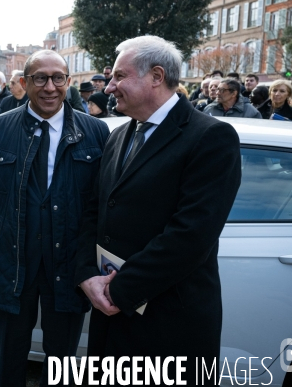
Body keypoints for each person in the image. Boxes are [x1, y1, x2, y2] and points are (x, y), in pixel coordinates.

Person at [75, 35, 241, 384]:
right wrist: (88, 275)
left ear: (156, 76)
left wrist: (120, 291)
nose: (110, 87)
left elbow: (191, 234)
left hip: (169, 323)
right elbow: (96, 209)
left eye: (119, 76)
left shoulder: (211, 137)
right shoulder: (119, 134)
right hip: (111, 315)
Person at [0, 49, 110, 386]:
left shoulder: (97, 133)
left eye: (58, 78)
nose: (50, 87)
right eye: (40, 78)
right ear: (25, 82)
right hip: (13, 265)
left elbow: (99, 202)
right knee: (9, 359)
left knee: (62, 363)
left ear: (68, 82)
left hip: (69, 266)